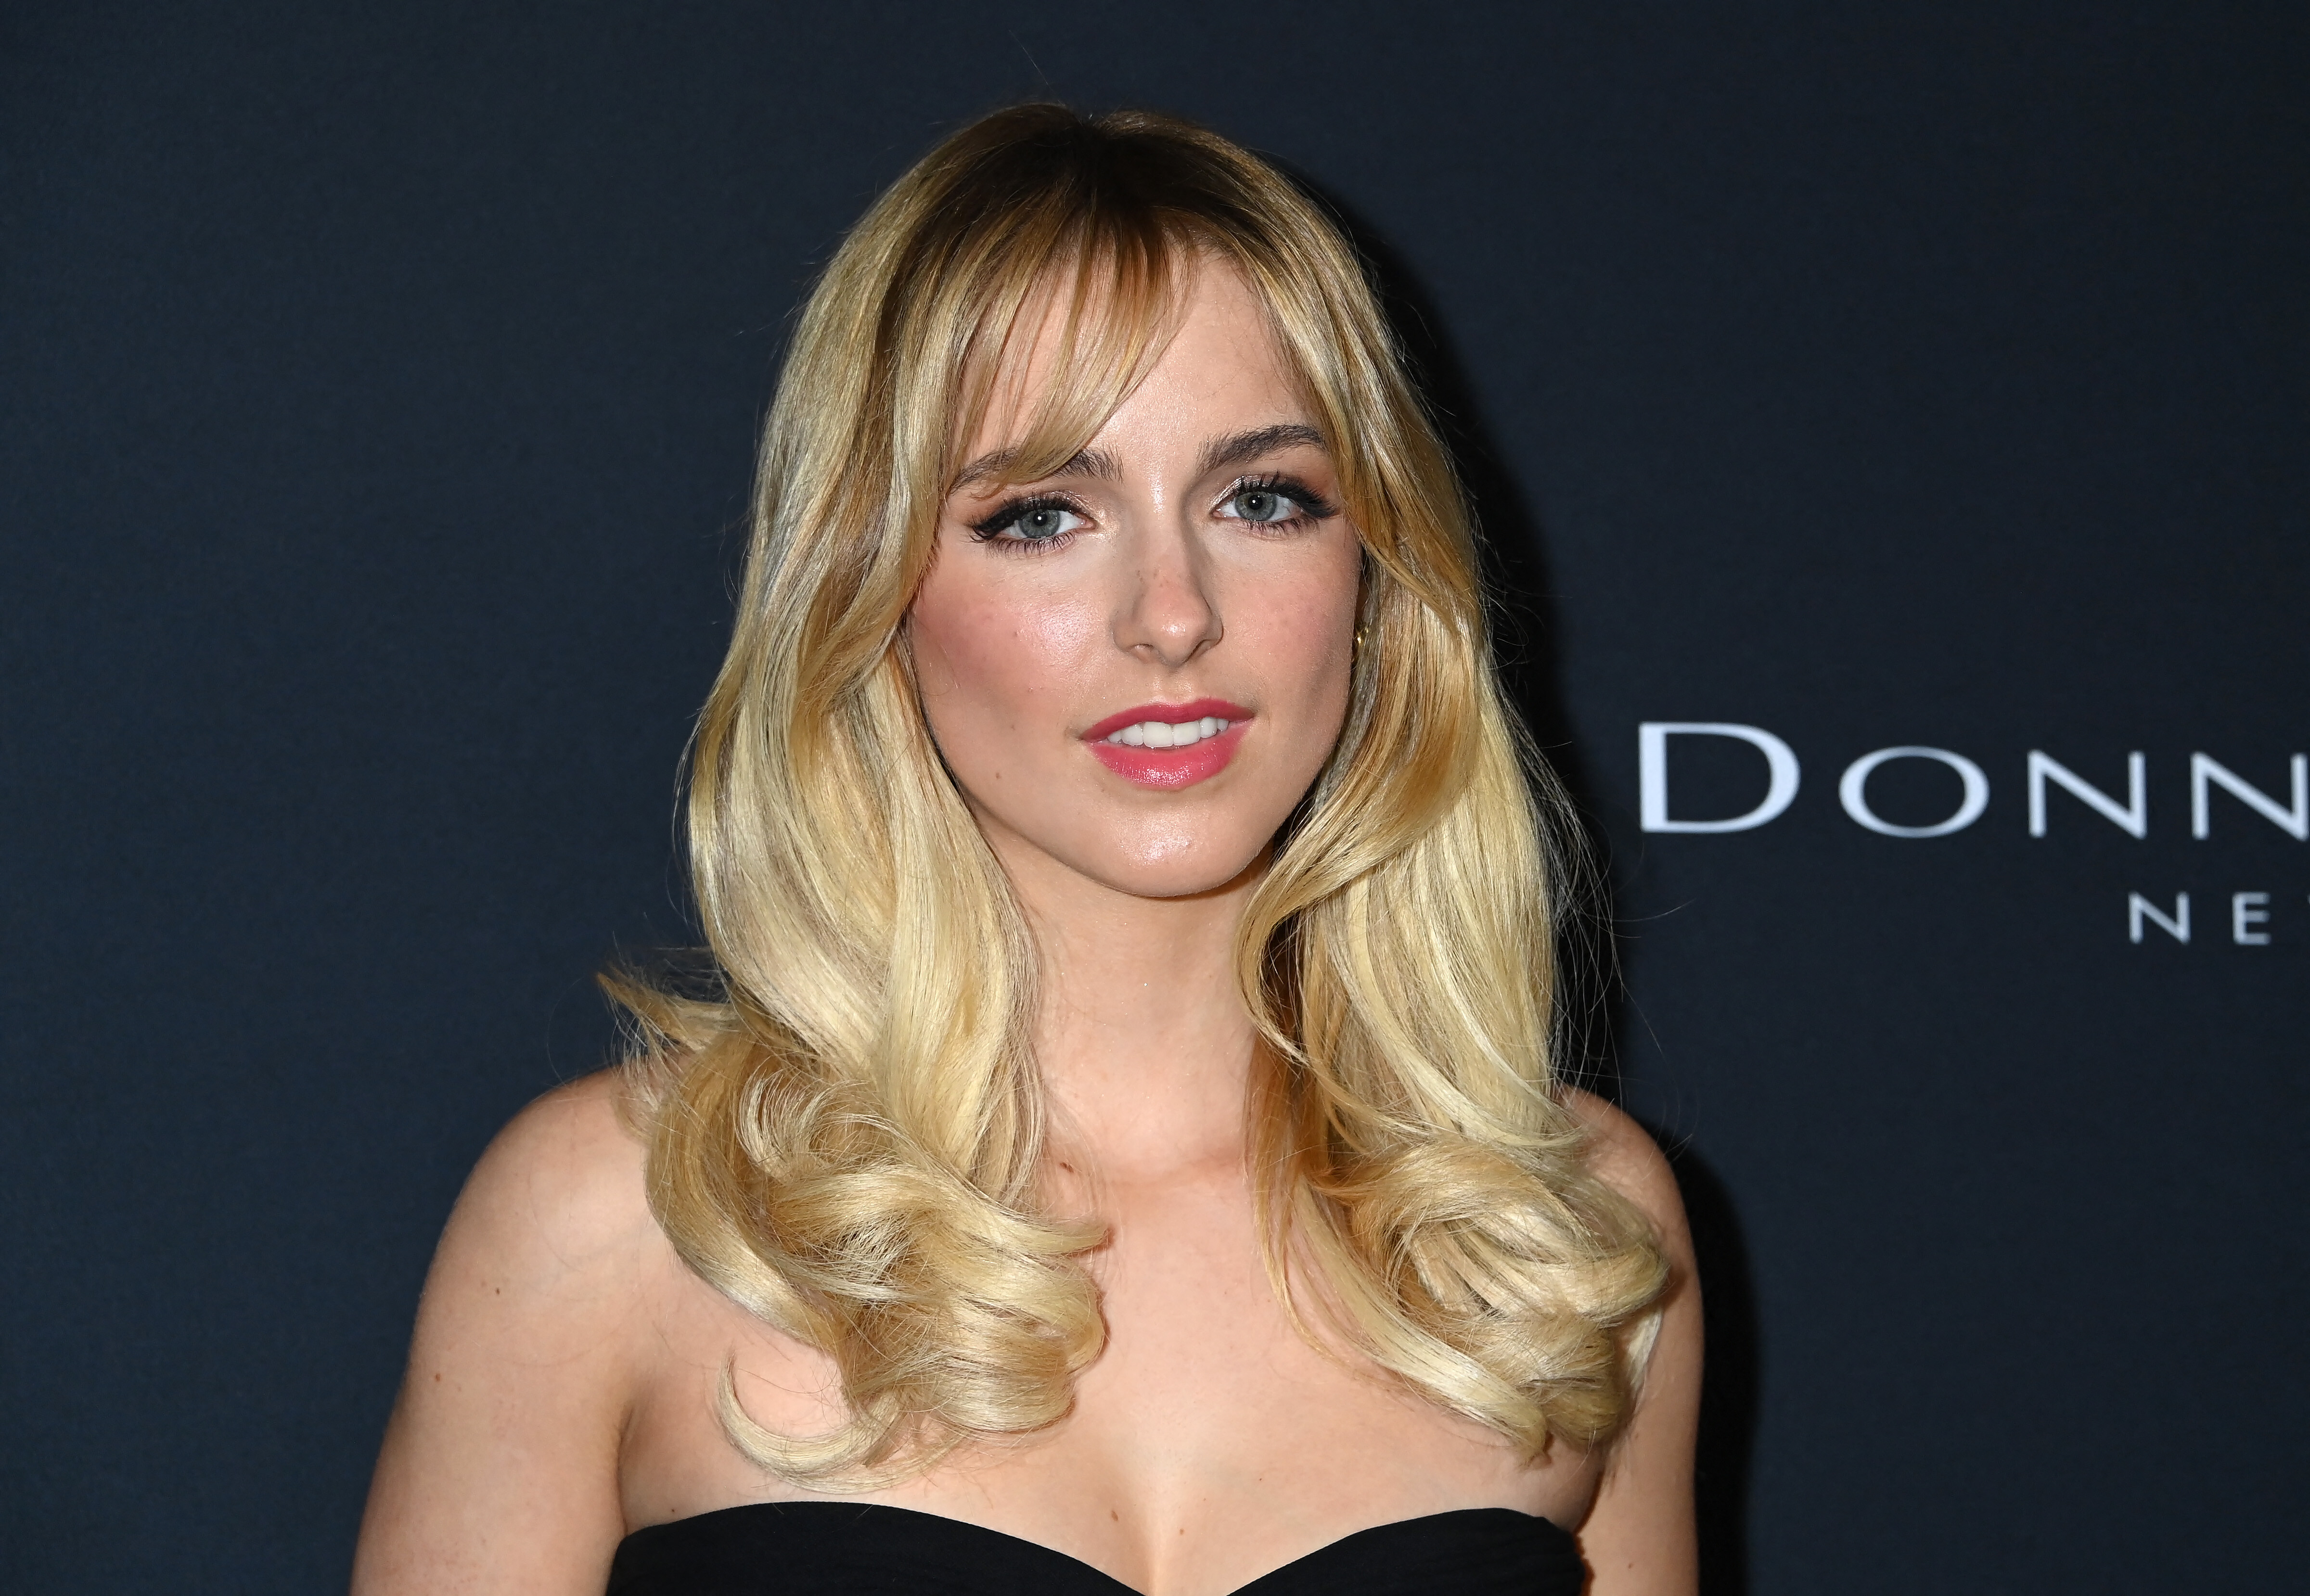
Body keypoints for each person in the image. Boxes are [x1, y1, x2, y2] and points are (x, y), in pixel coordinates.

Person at [351, 103, 1701, 1596]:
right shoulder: (625, 1218)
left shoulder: (1560, 1234)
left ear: (1377, 573)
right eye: (1044, 515)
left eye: (1263, 499)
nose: (1173, 615)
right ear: (870, 589)